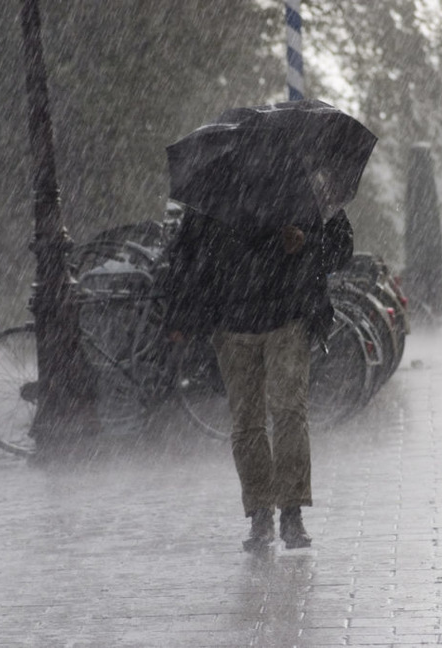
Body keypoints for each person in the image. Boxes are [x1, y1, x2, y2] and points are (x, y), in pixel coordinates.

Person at [163, 170, 354, 551]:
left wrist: (306, 242)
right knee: (248, 421)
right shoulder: (212, 194)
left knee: (287, 413)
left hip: (287, 317)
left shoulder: (303, 188)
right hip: (232, 325)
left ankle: (292, 513)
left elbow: (340, 248)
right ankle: (261, 514)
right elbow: (186, 257)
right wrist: (182, 316)